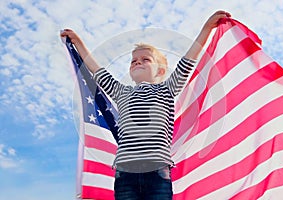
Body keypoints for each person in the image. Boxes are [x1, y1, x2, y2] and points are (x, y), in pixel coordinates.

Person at [61, 10, 231, 200]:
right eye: (133, 61)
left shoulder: (167, 89)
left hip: (157, 173)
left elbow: (188, 60)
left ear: (160, 70)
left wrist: (207, 28)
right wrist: (77, 41)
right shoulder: (121, 92)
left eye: (145, 60)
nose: (137, 62)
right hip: (126, 174)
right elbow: (96, 69)